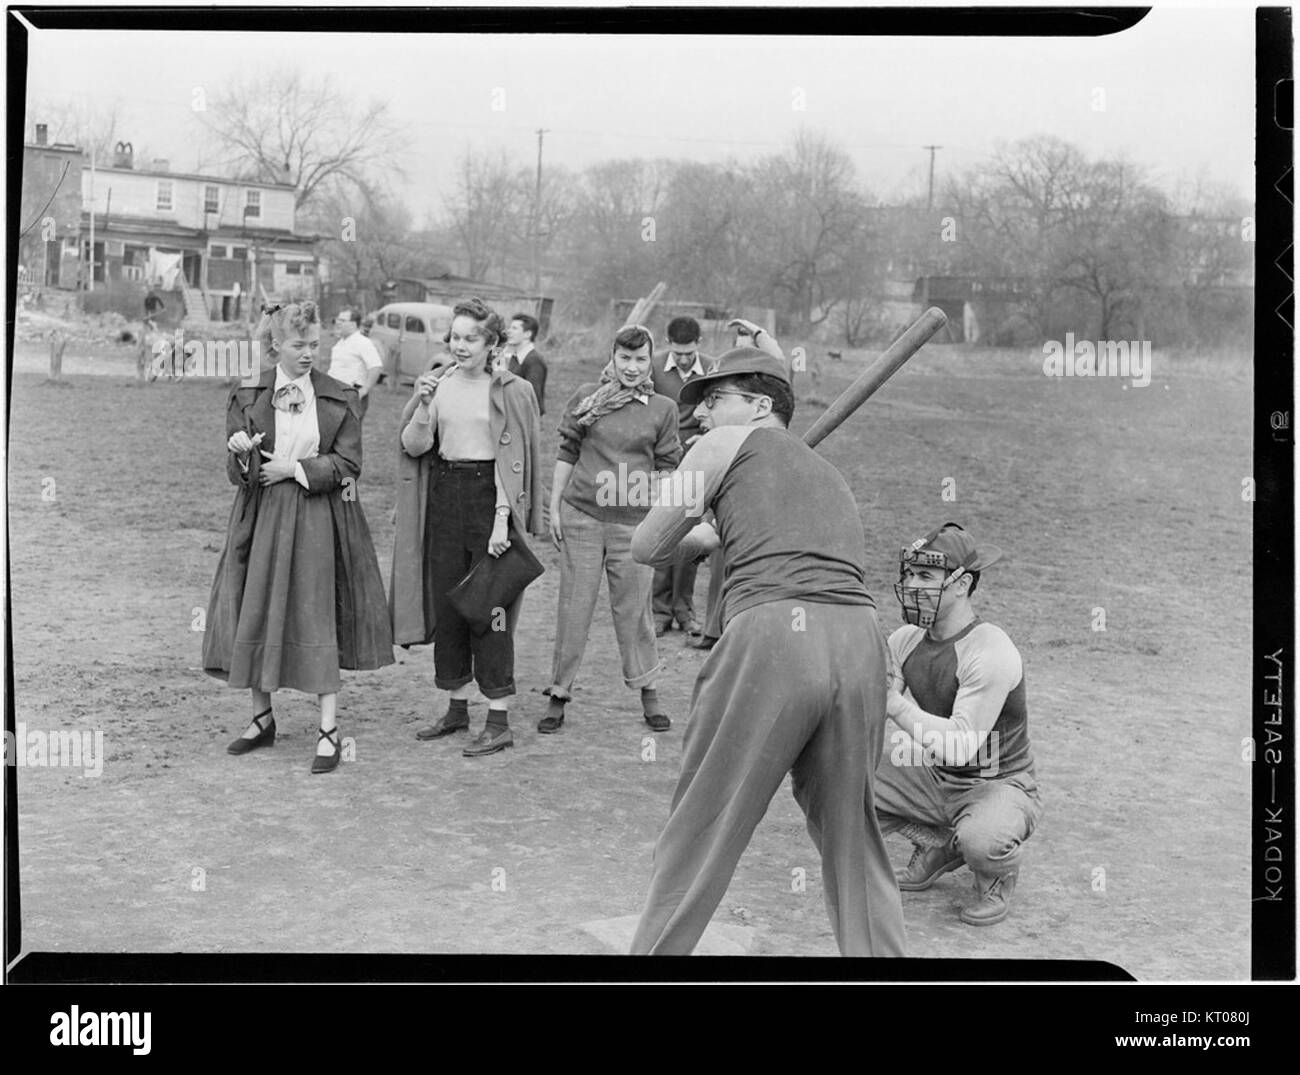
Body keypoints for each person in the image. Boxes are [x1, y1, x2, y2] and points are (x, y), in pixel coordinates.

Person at [626, 322, 906, 957]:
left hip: (775, 639)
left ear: (758, 404)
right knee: (853, 842)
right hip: (861, 645)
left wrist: (703, 521)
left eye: (714, 396)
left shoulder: (726, 442)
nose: (699, 411)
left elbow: (649, 546)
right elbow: (760, 542)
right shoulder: (829, 474)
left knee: (701, 827)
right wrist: (720, 528)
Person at [203, 301, 394, 774]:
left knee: (316, 614)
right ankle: (261, 718)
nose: (309, 353)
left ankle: (329, 729)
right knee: (257, 607)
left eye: (315, 344)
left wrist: (296, 468)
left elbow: (350, 466)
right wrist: (241, 454)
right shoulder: (248, 394)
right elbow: (238, 473)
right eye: (298, 344)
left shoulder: (338, 396)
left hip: (317, 518)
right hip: (261, 515)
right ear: (274, 345)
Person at [389, 297, 545, 757]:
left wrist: (501, 522)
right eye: (454, 337)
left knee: (489, 609)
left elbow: (511, 460)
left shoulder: (510, 389)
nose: (460, 346)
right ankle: (457, 708)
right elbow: (415, 447)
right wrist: (421, 403)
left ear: (491, 342)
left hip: (488, 499)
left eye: (470, 338)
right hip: (444, 493)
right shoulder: (438, 385)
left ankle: (498, 719)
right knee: (450, 604)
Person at [873, 522, 1043, 926]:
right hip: (936, 776)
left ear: (962, 584)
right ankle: (940, 843)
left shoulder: (990, 649)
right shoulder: (905, 639)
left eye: (926, 577)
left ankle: (993, 872)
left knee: (983, 841)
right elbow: (873, 710)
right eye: (909, 574)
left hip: (997, 782)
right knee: (839, 777)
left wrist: (893, 703)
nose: (913, 585)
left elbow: (960, 747)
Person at [542, 324, 681, 735]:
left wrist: (663, 520)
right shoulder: (588, 398)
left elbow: (667, 466)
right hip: (582, 517)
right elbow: (567, 451)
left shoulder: (663, 408)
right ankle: (558, 694)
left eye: (641, 360)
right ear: (613, 357)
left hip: (634, 527)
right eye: (625, 358)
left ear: (650, 360)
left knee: (634, 610)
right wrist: (554, 507)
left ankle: (648, 692)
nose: (633, 368)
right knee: (574, 607)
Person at [648, 315, 712, 640]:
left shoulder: (712, 368)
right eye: (678, 352)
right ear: (668, 343)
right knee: (661, 531)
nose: (684, 358)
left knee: (690, 532)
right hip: (661, 462)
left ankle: (685, 610)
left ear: (699, 344)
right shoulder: (653, 366)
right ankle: (659, 612)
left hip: (697, 460)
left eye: (690, 352)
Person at [328, 306, 384, 417]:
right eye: (338, 320)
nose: (338, 323)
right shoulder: (340, 342)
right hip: (336, 393)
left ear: (353, 324)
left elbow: (376, 366)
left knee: (349, 431)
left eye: (343, 321)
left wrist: (365, 390)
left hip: (351, 393)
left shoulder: (362, 342)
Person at [498, 313, 548, 416]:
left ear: (527, 334)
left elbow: (534, 400)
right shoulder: (514, 357)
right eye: (509, 327)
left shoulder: (534, 361)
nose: (509, 331)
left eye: (514, 328)